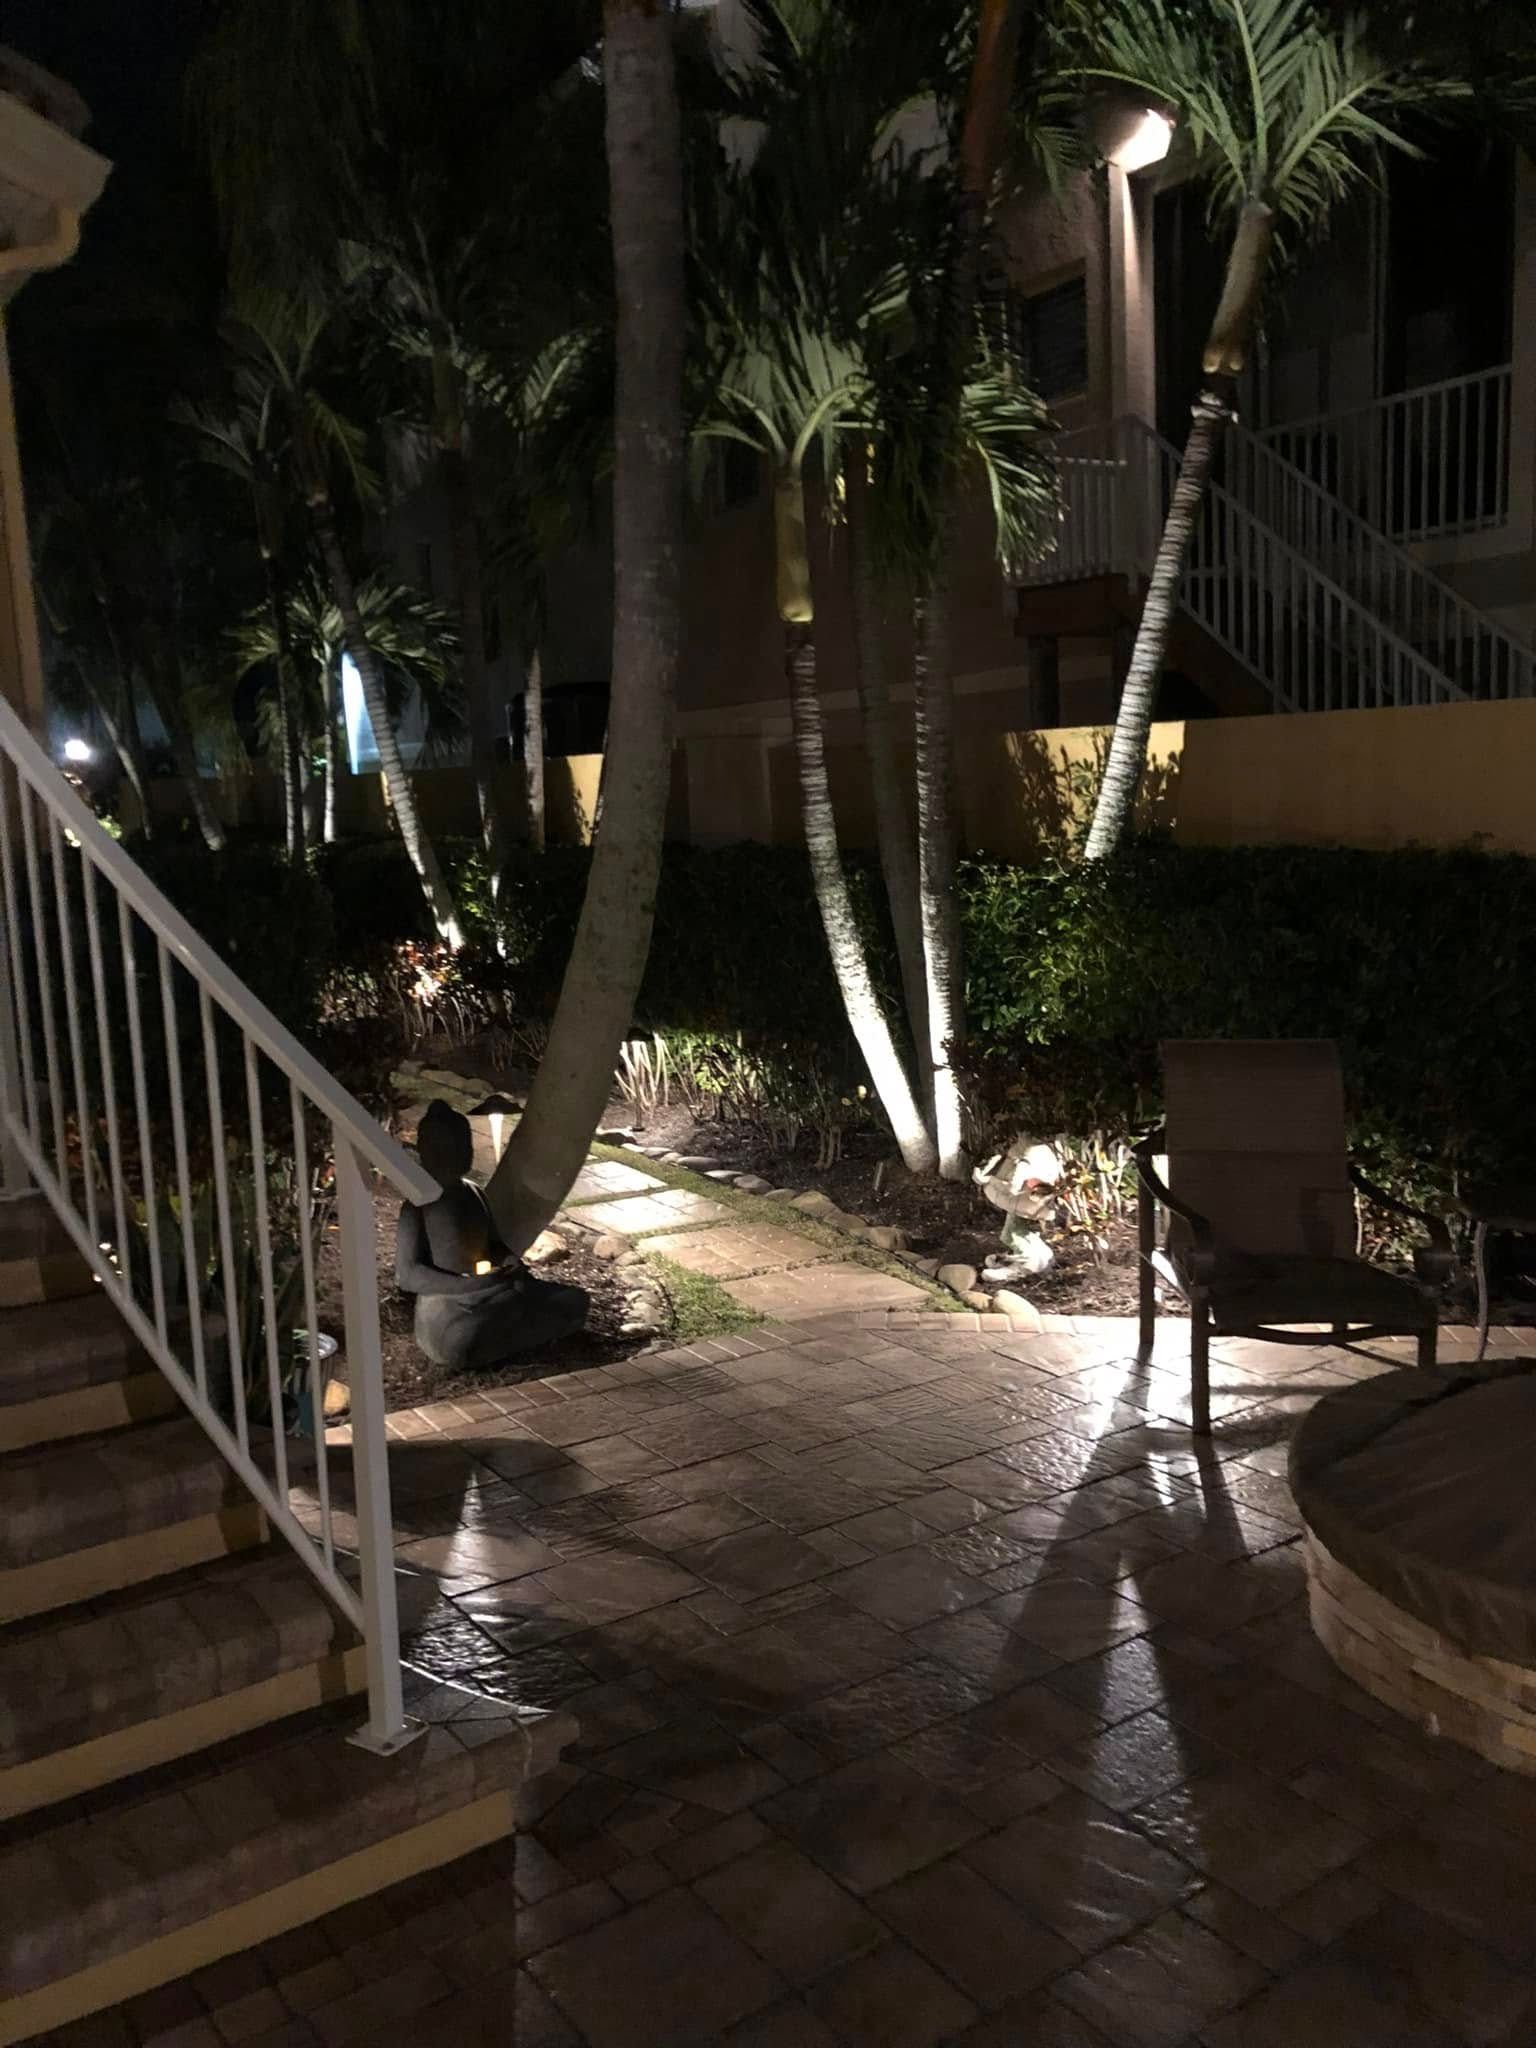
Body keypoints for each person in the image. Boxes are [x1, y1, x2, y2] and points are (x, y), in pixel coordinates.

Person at [395, 1099, 588, 1370]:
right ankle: (512, 1327)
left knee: (575, 1299)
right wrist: (468, 1285)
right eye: (451, 1147)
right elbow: (408, 1274)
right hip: (451, 1306)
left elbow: (494, 1244)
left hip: (492, 1291)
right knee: (462, 1341)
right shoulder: (417, 1204)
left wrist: (508, 1259)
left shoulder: (474, 1192)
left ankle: (509, 1324)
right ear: (427, 1150)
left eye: (466, 1145)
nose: (462, 1153)